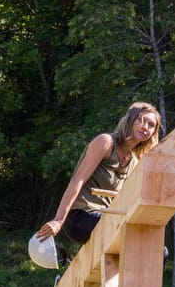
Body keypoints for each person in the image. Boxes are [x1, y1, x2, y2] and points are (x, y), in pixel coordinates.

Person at [35, 102, 162, 261]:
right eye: (141, 120)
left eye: (151, 125)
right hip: (81, 216)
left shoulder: (135, 161)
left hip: (108, 220)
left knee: (158, 250)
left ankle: (135, 285)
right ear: (130, 120)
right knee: (131, 235)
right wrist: (58, 220)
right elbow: (77, 180)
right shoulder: (106, 142)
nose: (145, 127)